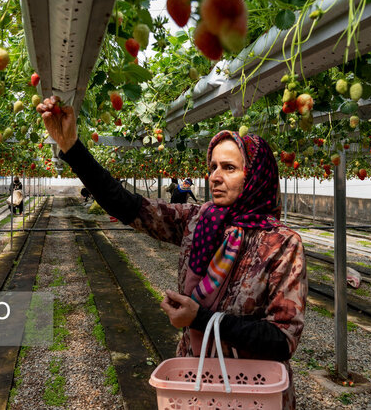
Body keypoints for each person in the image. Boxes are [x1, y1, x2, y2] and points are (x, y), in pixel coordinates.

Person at [38, 96, 307, 409]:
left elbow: (282, 340)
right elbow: (130, 206)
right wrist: (72, 147)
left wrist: (201, 318)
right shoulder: (199, 220)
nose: (215, 176)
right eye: (213, 167)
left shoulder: (281, 243)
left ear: (256, 176)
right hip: (196, 381)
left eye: (229, 168)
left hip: (253, 392)